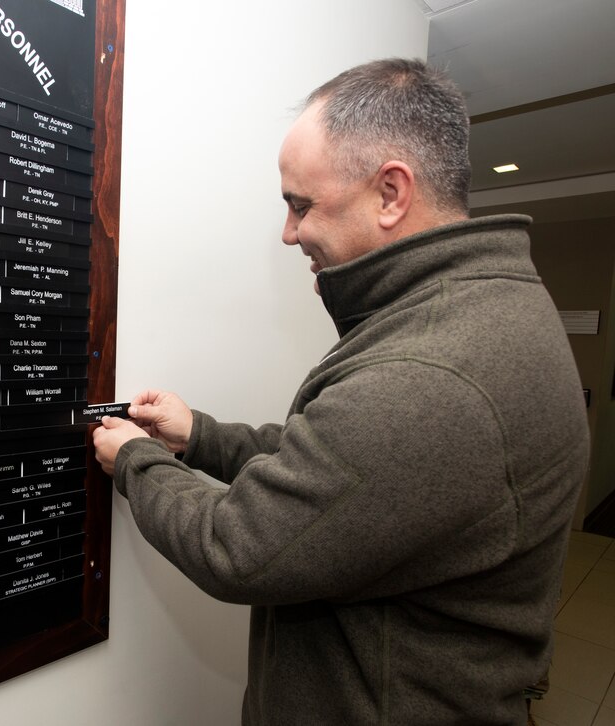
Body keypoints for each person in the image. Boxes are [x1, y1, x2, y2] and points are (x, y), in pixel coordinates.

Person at [92, 58, 589, 725]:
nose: (289, 233)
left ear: (391, 193)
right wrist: (200, 438)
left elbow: (240, 547)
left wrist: (134, 460)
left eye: (301, 205)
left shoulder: (430, 373)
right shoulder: (491, 308)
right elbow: (351, 474)